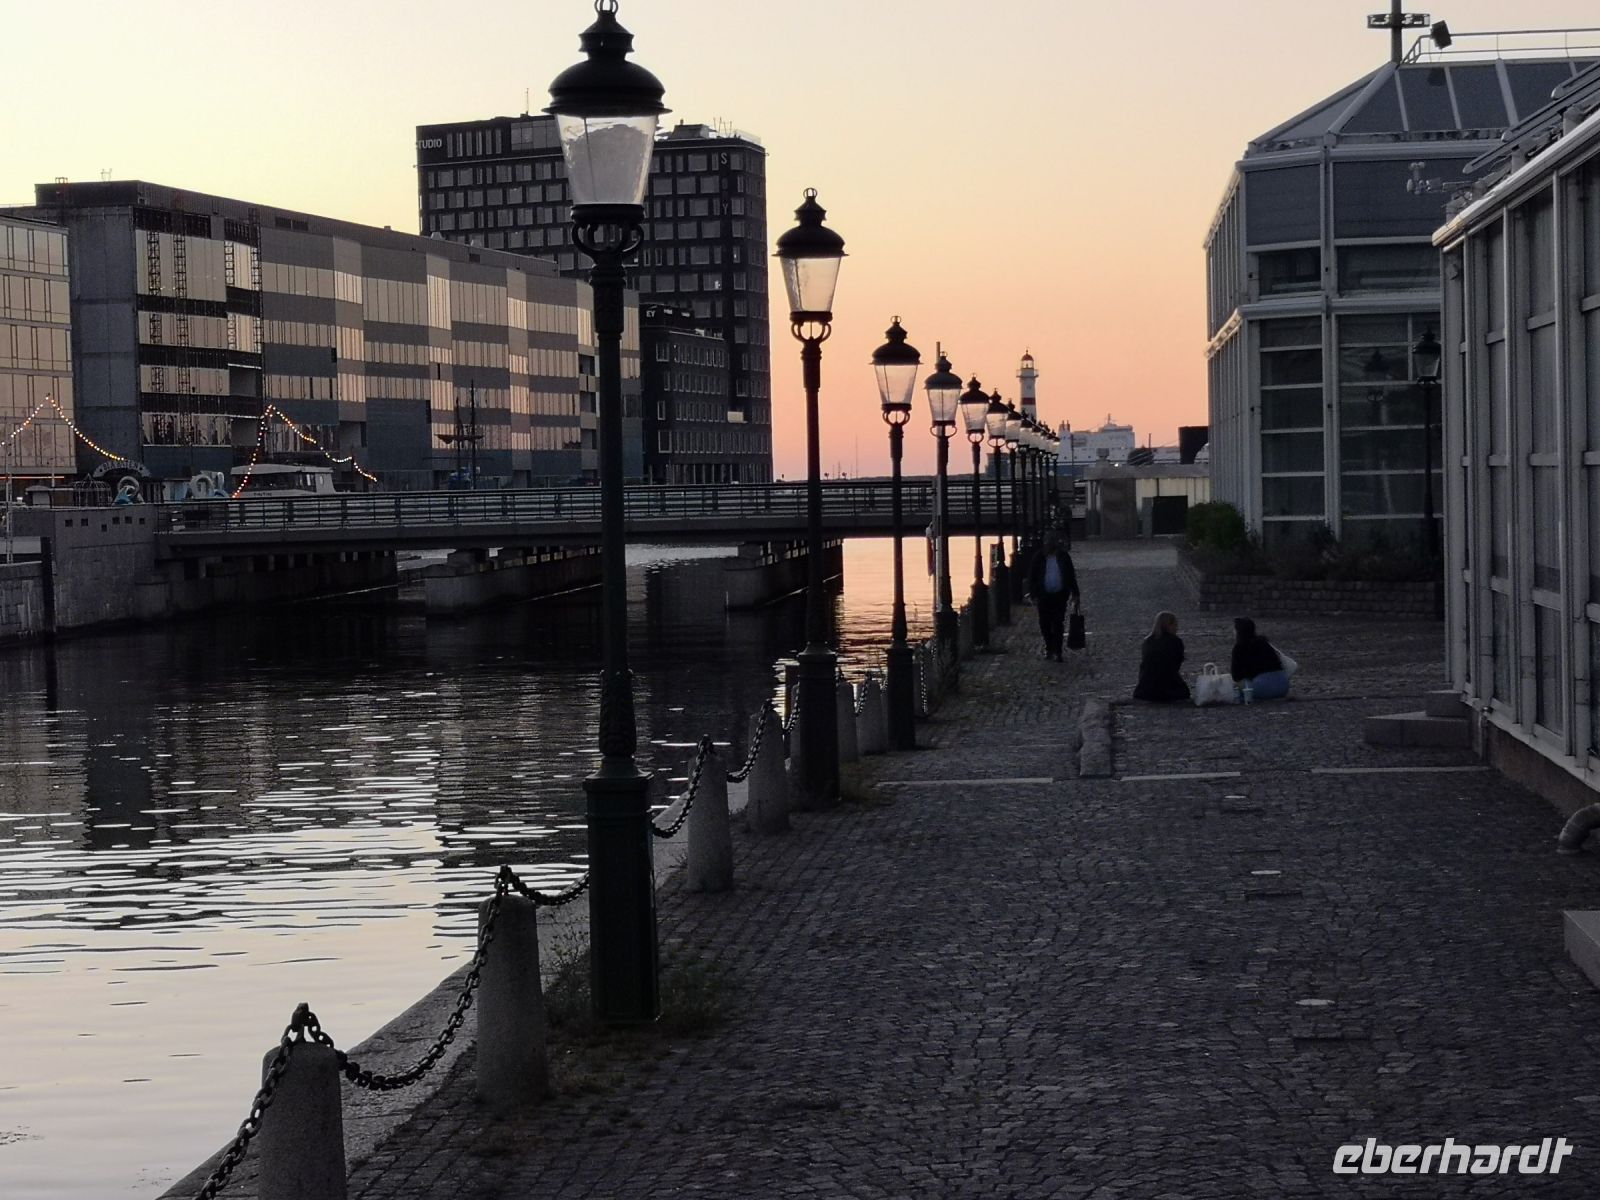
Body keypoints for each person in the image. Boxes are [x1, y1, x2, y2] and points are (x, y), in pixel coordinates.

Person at [1026, 531, 1080, 661]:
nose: (1050, 545)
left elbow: (1070, 575)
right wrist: (1033, 594)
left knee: (1058, 623)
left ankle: (1058, 650)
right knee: (1044, 623)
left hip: (1060, 595)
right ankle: (1049, 646)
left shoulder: (1063, 557)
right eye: (1048, 542)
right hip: (1044, 596)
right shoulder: (1039, 557)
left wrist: (1075, 593)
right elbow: (1032, 577)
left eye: (1052, 542)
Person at [1134, 611, 1190, 702]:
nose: (1177, 628)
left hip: (1145, 690)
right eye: (1175, 625)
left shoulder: (1148, 641)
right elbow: (1175, 666)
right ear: (1169, 626)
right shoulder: (1175, 641)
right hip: (1167, 690)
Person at [1230, 616, 1290, 700]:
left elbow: (1236, 676)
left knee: (1234, 686)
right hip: (1283, 686)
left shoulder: (1239, 648)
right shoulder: (1264, 642)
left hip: (1262, 687)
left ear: (1238, 632)